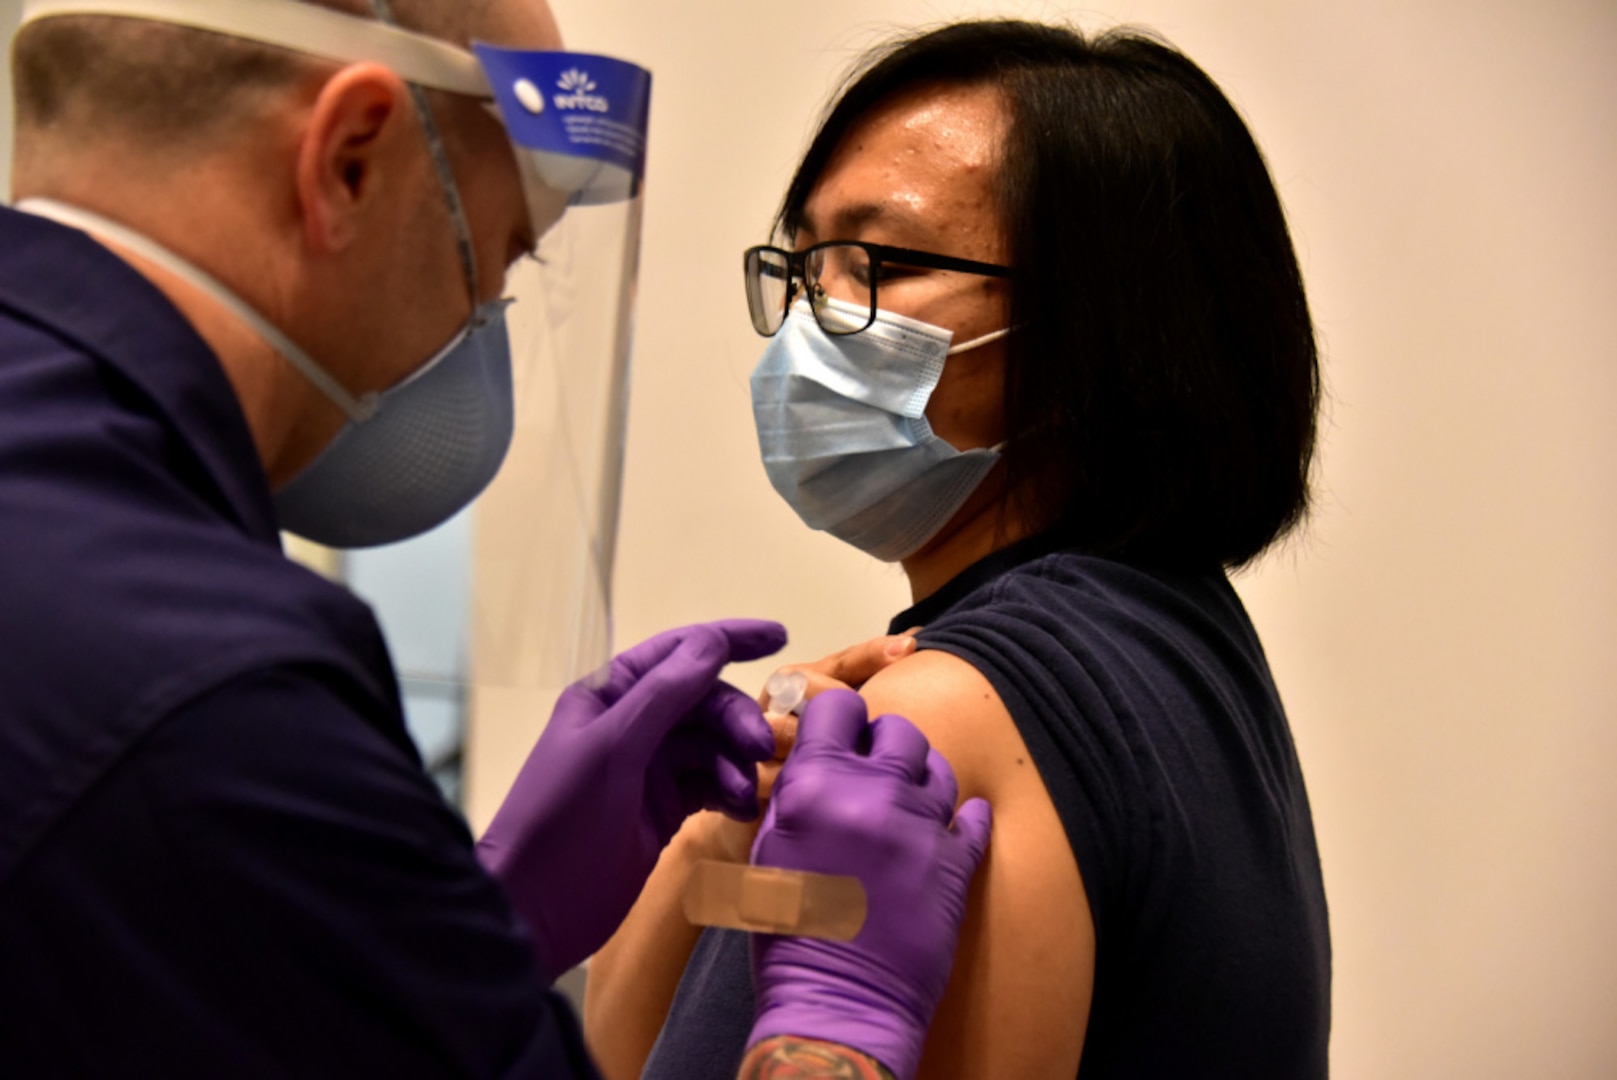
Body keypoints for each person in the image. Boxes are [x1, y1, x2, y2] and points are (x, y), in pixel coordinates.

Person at [0, 1, 992, 1077]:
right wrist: (837, 1025)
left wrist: (473, 922)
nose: (484, 314)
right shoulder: (207, 683)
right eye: (505, 256)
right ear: (349, 158)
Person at [585, 18, 1331, 1080]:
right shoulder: (1180, 646)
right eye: (806, 263)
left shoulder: (937, 721)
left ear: (1097, 329)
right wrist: (711, 841)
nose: (810, 322)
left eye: (875, 262)